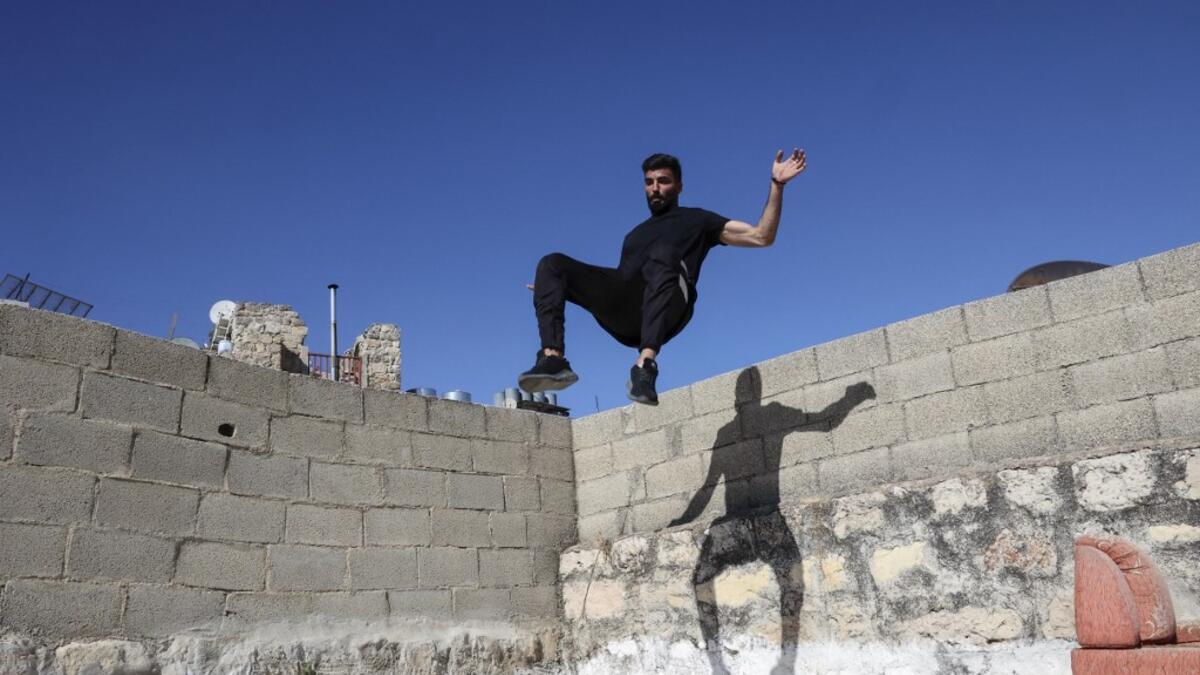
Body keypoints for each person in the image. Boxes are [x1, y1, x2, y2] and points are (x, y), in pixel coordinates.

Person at [518, 149, 807, 405]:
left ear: (679, 186)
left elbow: (761, 236)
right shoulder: (634, 236)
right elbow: (621, 284)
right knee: (551, 264)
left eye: (663, 181)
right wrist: (558, 288)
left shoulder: (698, 221)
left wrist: (777, 185)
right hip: (630, 315)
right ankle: (553, 359)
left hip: (672, 307)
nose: (655, 188)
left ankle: (645, 367)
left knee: (664, 253)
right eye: (649, 182)